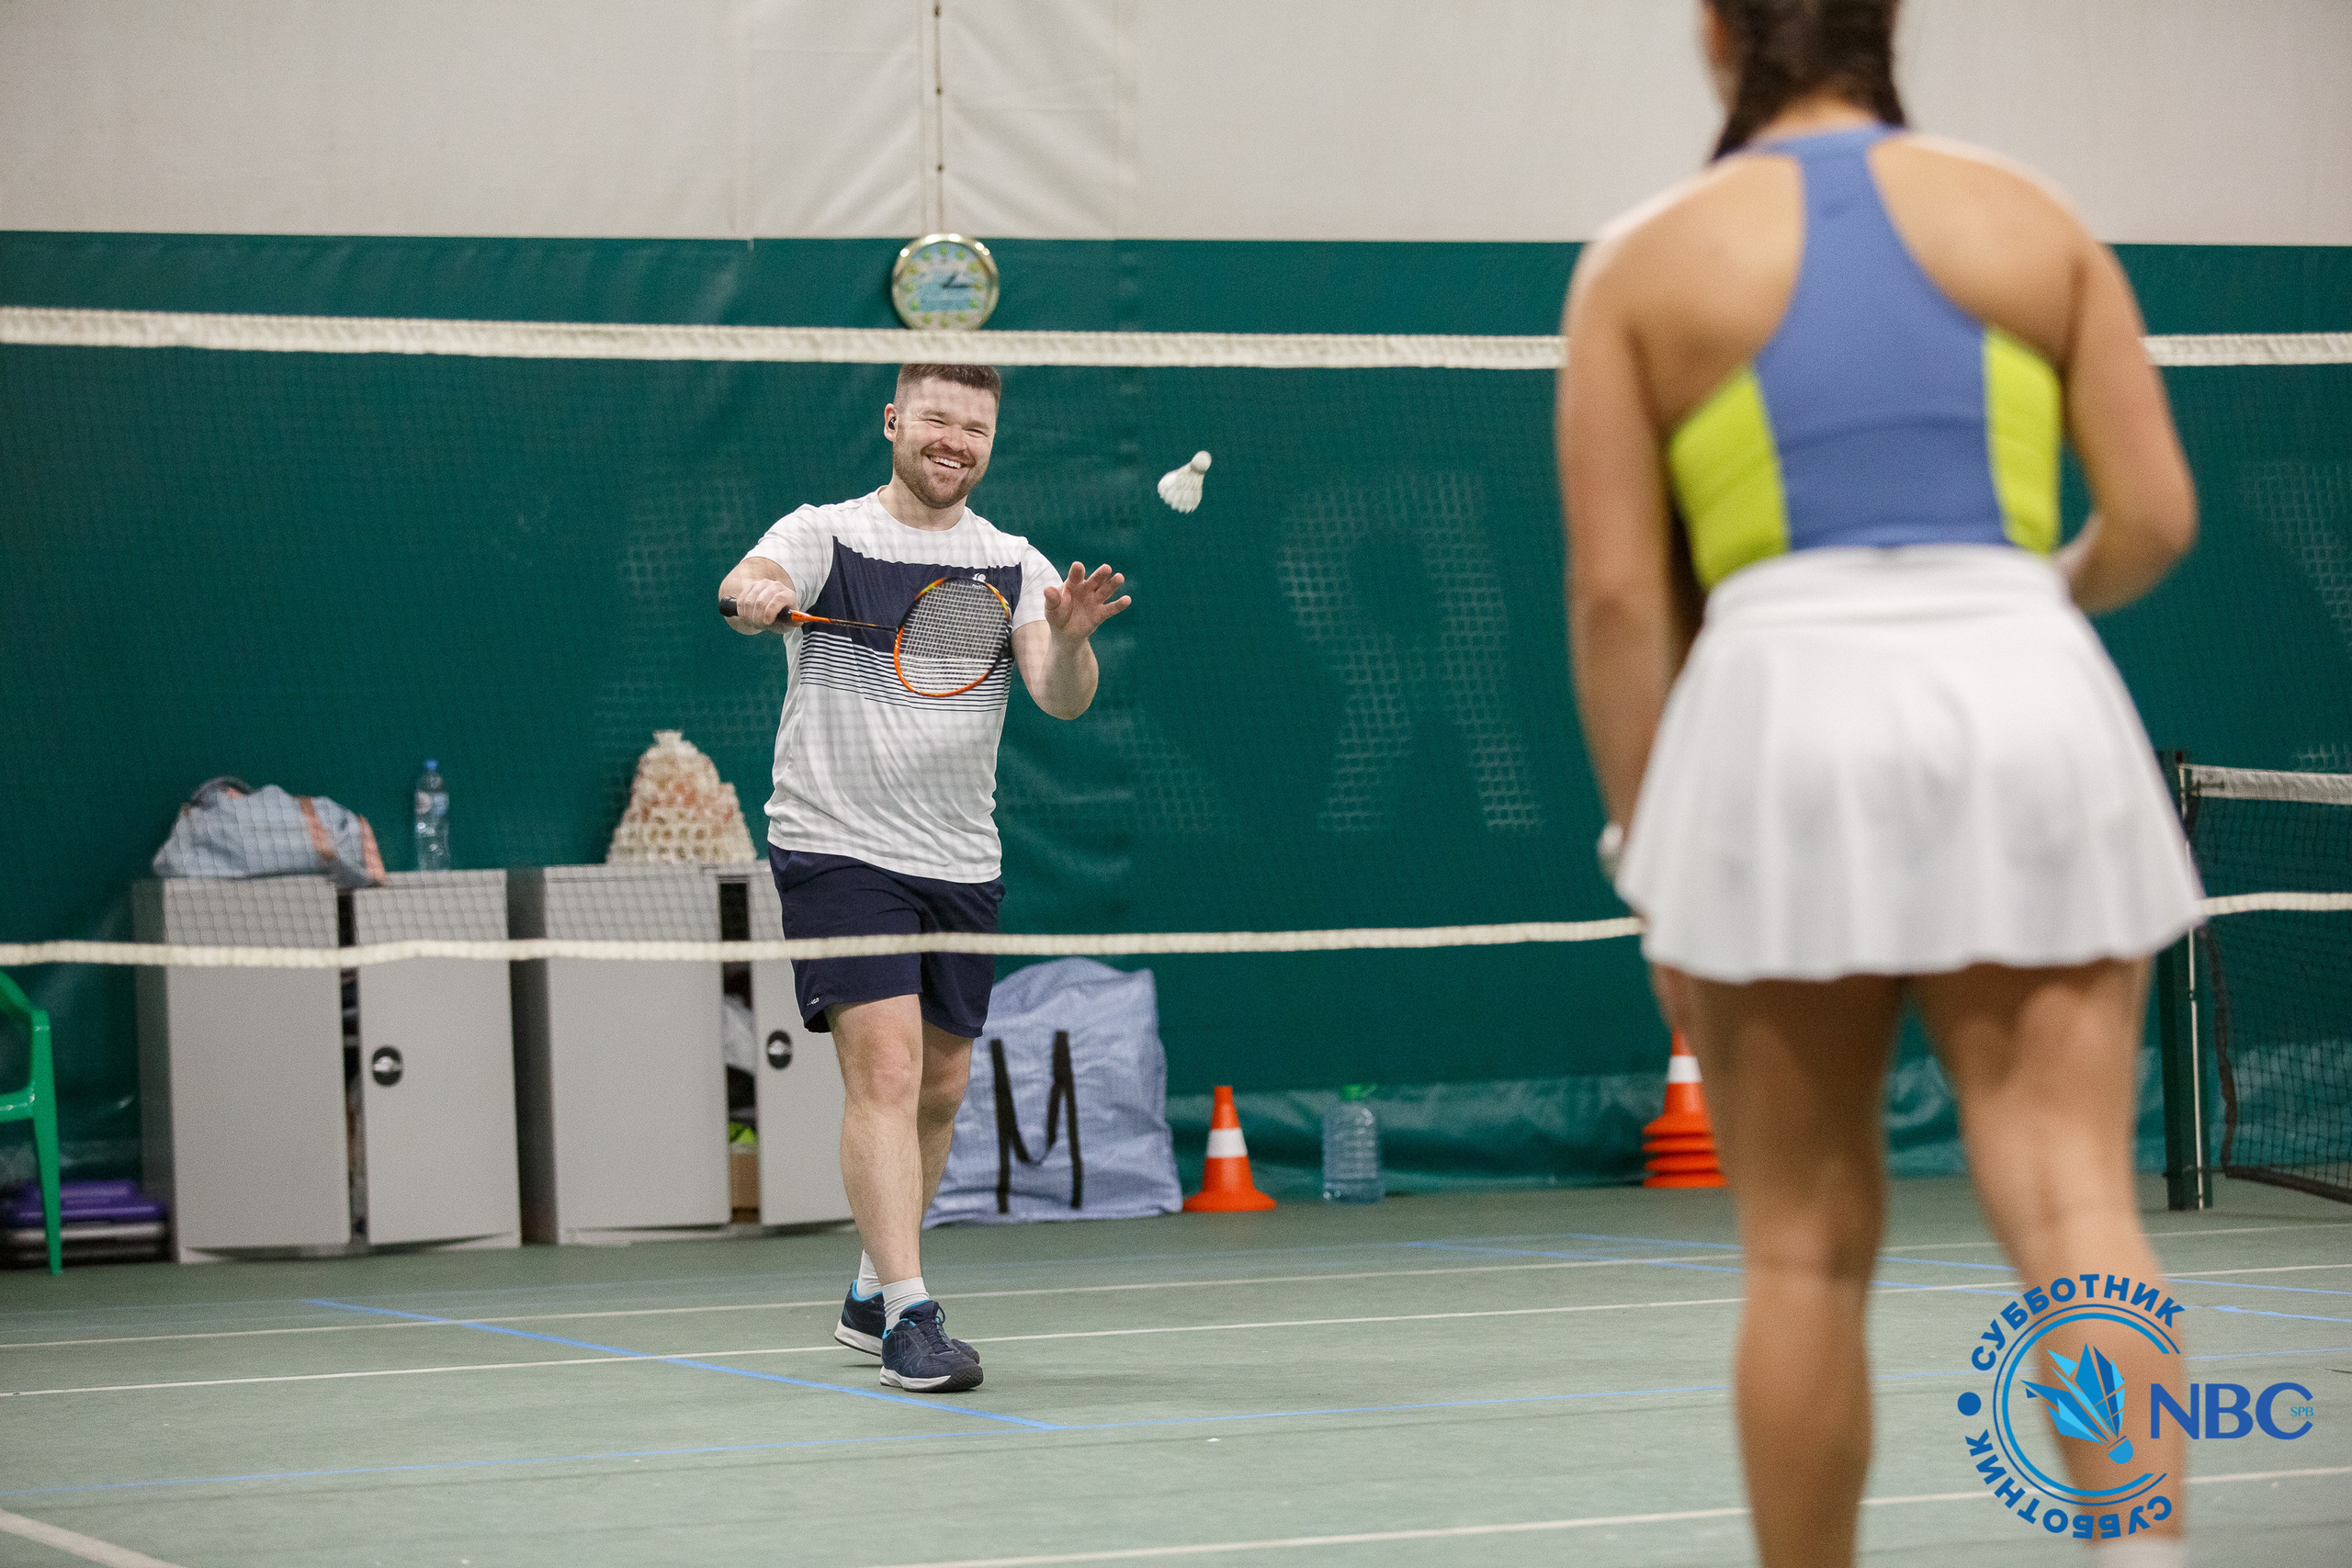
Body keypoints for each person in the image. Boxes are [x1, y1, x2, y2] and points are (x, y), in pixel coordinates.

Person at [1558, 4, 2201, 1564]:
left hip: (1779, 713)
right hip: (2026, 693)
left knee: (1804, 1255)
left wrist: (1656, 850)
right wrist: (2026, 593)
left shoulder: (1645, 260)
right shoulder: (2030, 217)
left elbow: (1624, 607)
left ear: (1719, 34)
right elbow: (2155, 520)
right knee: (2073, 1204)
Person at [718, 363, 1130, 1393]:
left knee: (942, 1088)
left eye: (975, 427)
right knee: (888, 1075)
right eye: (937, 419)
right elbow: (743, 587)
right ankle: (912, 1314)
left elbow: (1058, 695)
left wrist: (1072, 642)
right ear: (895, 421)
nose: (955, 441)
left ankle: (868, 1291)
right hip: (838, 845)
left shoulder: (1012, 561)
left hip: (959, 855)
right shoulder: (826, 532)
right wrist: (758, 594)